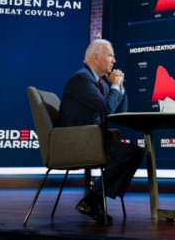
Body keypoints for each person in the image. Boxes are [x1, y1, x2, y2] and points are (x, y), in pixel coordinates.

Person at [57, 39, 144, 225]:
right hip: (77, 142)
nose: (114, 60)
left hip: (93, 139)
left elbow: (121, 110)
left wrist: (119, 86)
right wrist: (114, 87)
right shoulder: (82, 79)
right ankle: (94, 199)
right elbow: (107, 109)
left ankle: (94, 199)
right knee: (130, 153)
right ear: (96, 57)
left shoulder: (98, 83)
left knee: (136, 152)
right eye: (110, 55)